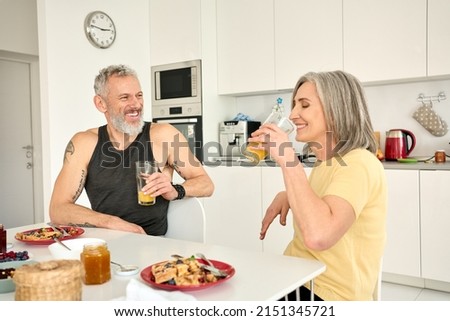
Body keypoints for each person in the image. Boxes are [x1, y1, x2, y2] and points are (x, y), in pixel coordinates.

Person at [252, 70, 387, 300]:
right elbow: (324, 204)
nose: (293, 115)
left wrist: (287, 159)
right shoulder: (326, 163)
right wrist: (289, 194)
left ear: (336, 109)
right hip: (298, 277)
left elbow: (319, 236)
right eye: (295, 105)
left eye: (304, 105)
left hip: (327, 294)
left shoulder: (360, 163)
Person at [49, 64, 214, 235]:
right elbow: (58, 209)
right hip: (104, 243)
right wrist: (110, 222)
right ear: (101, 103)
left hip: (152, 244)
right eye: (125, 97)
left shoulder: (164, 135)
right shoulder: (84, 143)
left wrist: (175, 191)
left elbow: (206, 184)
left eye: (139, 95)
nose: (136, 104)